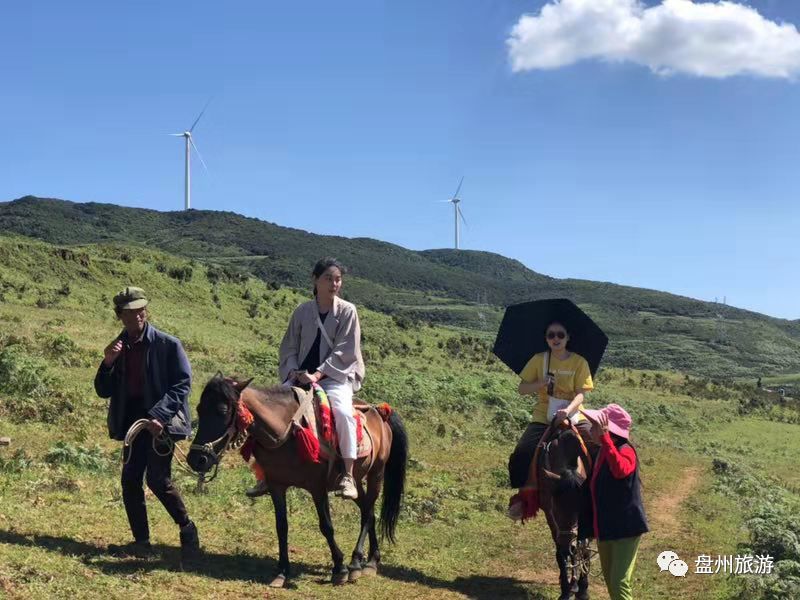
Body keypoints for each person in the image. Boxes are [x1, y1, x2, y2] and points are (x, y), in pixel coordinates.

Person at [94, 286, 200, 558]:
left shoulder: (168, 344)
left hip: (160, 423)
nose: (137, 315)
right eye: (130, 312)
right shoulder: (117, 348)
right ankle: (142, 543)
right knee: (130, 479)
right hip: (132, 422)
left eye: (141, 309)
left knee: (157, 479)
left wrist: (160, 415)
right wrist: (107, 363)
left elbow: (182, 384)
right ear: (120, 316)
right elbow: (103, 390)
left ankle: (187, 529)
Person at [248, 258, 365, 500]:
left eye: (337, 279)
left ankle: (348, 474)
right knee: (269, 412)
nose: (334, 284)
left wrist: (318, 374)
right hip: (300, 376)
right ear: (315, 279)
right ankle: (265, 474)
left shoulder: (347, 311)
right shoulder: (302, 311)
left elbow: (345, 350)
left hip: (335, 376)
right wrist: (293, 373)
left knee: (342, 412)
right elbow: (289, 347)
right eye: (328, 278)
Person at [507, 320, 596, 521]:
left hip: (574, 413)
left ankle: (600, 497)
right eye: (551, 335)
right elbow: (522, 389)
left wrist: (568, 410)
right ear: (546, 339)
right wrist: (541, 382)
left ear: (568, 337)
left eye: (560, 335)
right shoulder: (539, 360)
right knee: (523, 451)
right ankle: (525, 499)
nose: (556, 338)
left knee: (596, 447)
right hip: (543, 415)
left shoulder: (579, 362)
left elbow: (582, 394)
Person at [581, 404, 648, 600]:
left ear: (607, 431)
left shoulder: (626, 451)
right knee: (611, 581)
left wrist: (605, 440)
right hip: (607, 527)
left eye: (595, 426)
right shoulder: (603, 451)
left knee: (619, 582)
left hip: (626, 528)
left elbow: (621, 470)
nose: (590, 430)